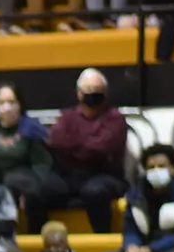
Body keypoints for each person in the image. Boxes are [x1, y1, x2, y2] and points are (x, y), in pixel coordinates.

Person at [48, 69, 130, 233]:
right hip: (70, 176)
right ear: (79, 94)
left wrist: (73, 145)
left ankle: (102, 238)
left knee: (94, 191)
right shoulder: (67, 117)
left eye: (97, 91)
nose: (93, 94)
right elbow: (55, 141)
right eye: (88, 90)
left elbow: (102, 148)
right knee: (41, 189)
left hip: (106, 175)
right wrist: (85, 145)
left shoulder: (115, 118)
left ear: (105, 93)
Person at [0, 83, 61, 230]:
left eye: (11, 102)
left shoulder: (32, 130)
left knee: (13, 184)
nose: (6, 107)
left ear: (20, 104)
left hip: (28, 182)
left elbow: (42, 165)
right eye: (1, 102)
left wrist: (28, 191)